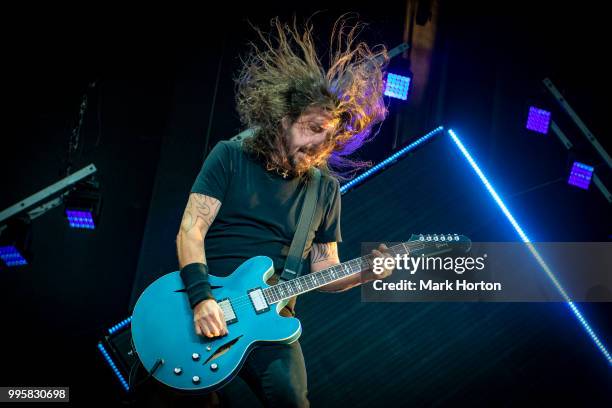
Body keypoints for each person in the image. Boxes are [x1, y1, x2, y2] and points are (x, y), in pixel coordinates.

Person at [176, 15, 395, 407]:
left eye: (328, 137)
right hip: (201, 306)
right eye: (311, 129)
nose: (319, 146)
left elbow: (324, 269)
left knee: (293, 399)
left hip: (268, 321)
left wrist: (364, 273)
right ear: (283, 120)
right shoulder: (230, 155)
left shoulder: (325, 190)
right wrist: (202, 298)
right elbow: (190, 231)